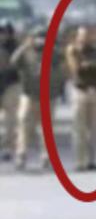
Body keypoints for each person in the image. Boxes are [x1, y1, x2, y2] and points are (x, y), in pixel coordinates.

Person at [10, 26, 62, 171]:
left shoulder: (53, 52)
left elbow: (60, 59)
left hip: (48, 96)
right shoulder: (26, 52)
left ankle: (46, 156)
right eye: (38, 38)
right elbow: (13, 62)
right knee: (24, 123)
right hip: (29, 94)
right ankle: (22, 153)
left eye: (43, 38)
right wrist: (25, 46)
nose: (41, 41)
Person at [65, 26, 96, 171]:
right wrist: (90, 66)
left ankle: (93, 159)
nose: (85, 39)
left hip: (94, 90)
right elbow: (76, 68)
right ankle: (80, 160)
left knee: (94, 128)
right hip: (80, 90)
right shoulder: (73, 50)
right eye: (82, 36)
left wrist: (89, 65)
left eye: (87, 36)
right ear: (77, 37)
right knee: (79, 128)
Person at [0, 23, 21, 161]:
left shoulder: (15, 48)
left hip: (11, 85)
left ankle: (8, 148)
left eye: (4, 32)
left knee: (10, 119)